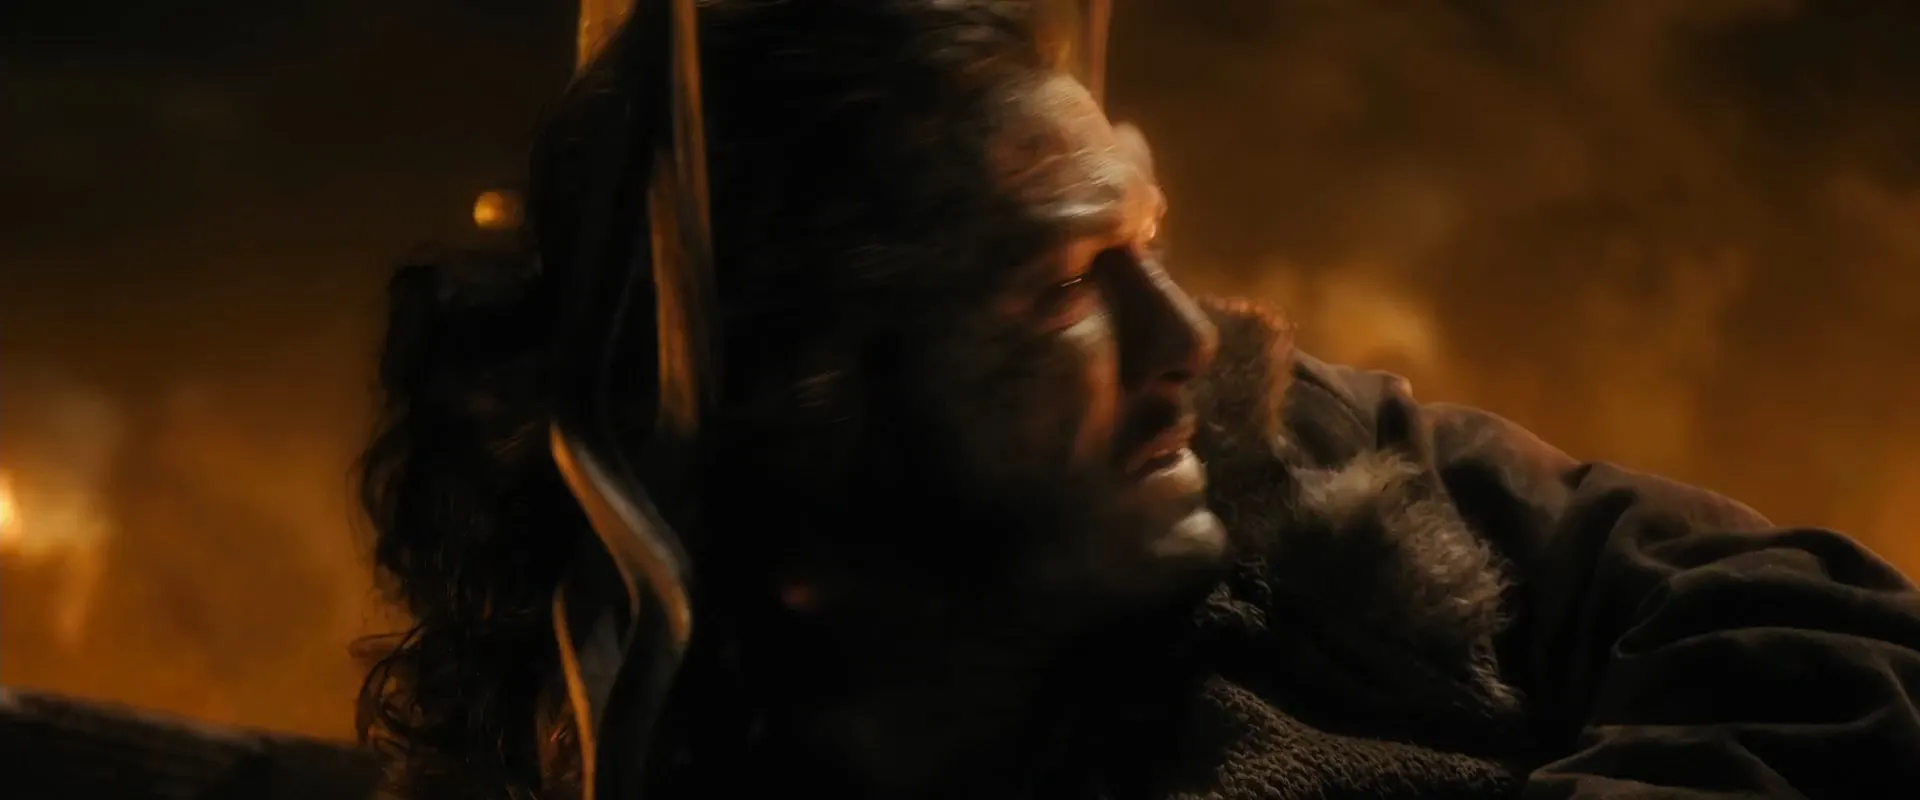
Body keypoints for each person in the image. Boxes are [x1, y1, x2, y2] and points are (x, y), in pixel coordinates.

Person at [354, 2, 1920, 798]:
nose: (1183, 334)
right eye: (1058, 286)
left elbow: (1824, 632)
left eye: (1145, 241)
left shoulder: (1267, 467)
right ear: (807, 418)